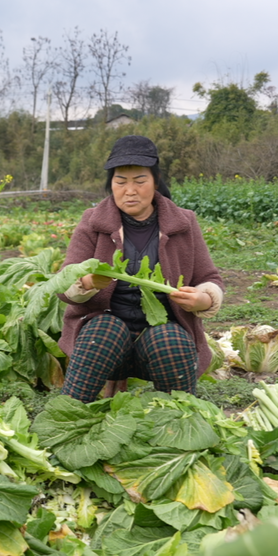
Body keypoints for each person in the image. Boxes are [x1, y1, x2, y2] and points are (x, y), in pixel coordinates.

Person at [57, 135, 223, 402]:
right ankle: (68, 412)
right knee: (105, 329)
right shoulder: (92, 222)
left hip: (161, 338)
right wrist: (85, 283)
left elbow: (208, 277)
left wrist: (202, 298)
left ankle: (176, 421)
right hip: (102, 340)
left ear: (155, 182)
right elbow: (64, 284)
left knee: (170, 339)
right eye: (120, 182)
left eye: (140, 181)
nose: (129, 191)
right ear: (111, 185)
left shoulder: (184, 222)